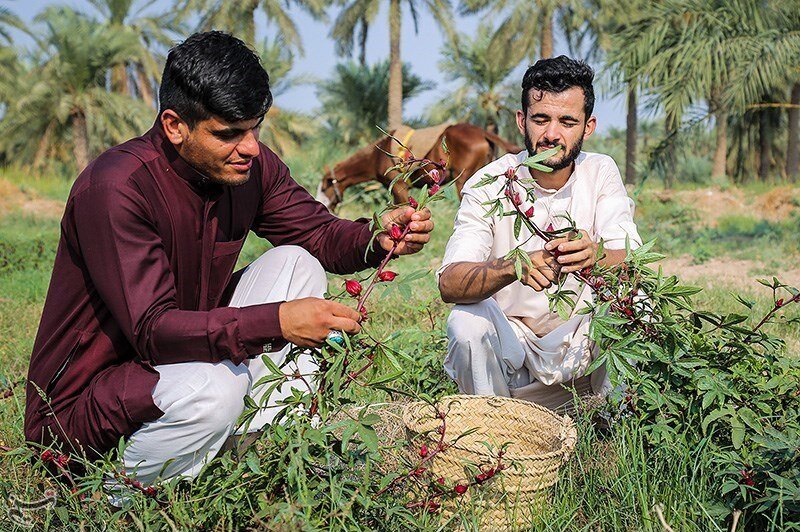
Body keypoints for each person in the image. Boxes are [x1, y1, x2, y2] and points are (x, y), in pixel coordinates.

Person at [24, 31, 434, 484]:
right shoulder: (117, 188)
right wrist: (277, 322)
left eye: (256, 128)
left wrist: (378, 236)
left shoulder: (248, 167)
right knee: (215, 391)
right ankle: (117, 500)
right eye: (229, 133)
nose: (251, 147)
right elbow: (152, 330)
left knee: (298, 262)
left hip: (182, 362)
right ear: (174, 125)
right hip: (83, 409)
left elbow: (318, 232)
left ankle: (264, 456)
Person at [437, 56, 641, 412]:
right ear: (522, 121)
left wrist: (595, 256)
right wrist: (510, 267)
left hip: (584, 354)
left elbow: (634, 262)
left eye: (567, 121)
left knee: (638, 303)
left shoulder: (600, 171)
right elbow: (450, 283)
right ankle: (495, 432)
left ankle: (614, 427)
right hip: (514, 360)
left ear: (588, 127)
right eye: (541, 119)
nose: (551, 134)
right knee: (466, 322)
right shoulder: (490, 182)